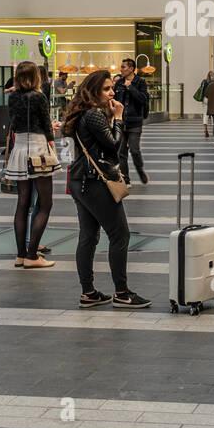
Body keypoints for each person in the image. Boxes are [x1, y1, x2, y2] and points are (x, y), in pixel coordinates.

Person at [63, 70, 151, 308]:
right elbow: (114, 147)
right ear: (93, 91)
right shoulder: (93, 115)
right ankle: (122, 293)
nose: (112, 92)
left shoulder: (84, 113)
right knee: (119, 234)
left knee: (89, 236)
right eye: (106, 89)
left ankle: (88, 292)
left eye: (112, 88)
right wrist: (119, 118)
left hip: (80, 181)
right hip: (95, 182)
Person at [4, 62, 60, 268]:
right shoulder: (39, 96)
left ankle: (20, 255)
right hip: (38, 150)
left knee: (22, 203)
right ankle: (32, 256)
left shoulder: (12, 96)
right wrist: (52, 131)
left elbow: (15, 122)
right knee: (45, 203)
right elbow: (46, 126)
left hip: (19, 148)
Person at [113, 58, 150, 184]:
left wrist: (131, 88)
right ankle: (126, 179)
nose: (121, 69)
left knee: (134, 150)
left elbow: (143, 99)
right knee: (121, 153)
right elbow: (114, 99)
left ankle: (140, 170)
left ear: (131, 68)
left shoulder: (140, 82)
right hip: (121, 122)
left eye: (123, 67)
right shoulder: (118, 83)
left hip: (135, 122)